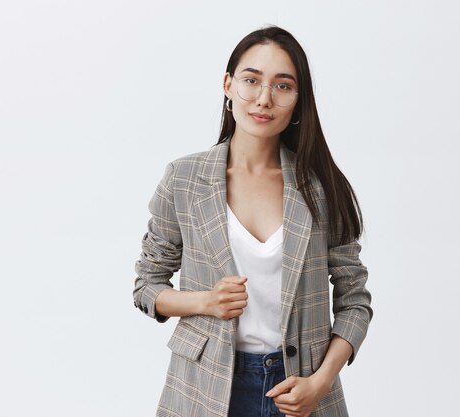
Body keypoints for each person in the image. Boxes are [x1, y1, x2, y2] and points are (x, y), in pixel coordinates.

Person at [132, 26, 372, 417]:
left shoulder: (321, 187)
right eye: (251, 80)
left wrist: (321, 381)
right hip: (205, 386)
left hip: (301, 389)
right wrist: (205, 302)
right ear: (228, 85)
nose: (264, 99)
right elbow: (147, 287)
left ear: (299, 100)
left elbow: (355, 301)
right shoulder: (184, 179)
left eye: (283, 86)